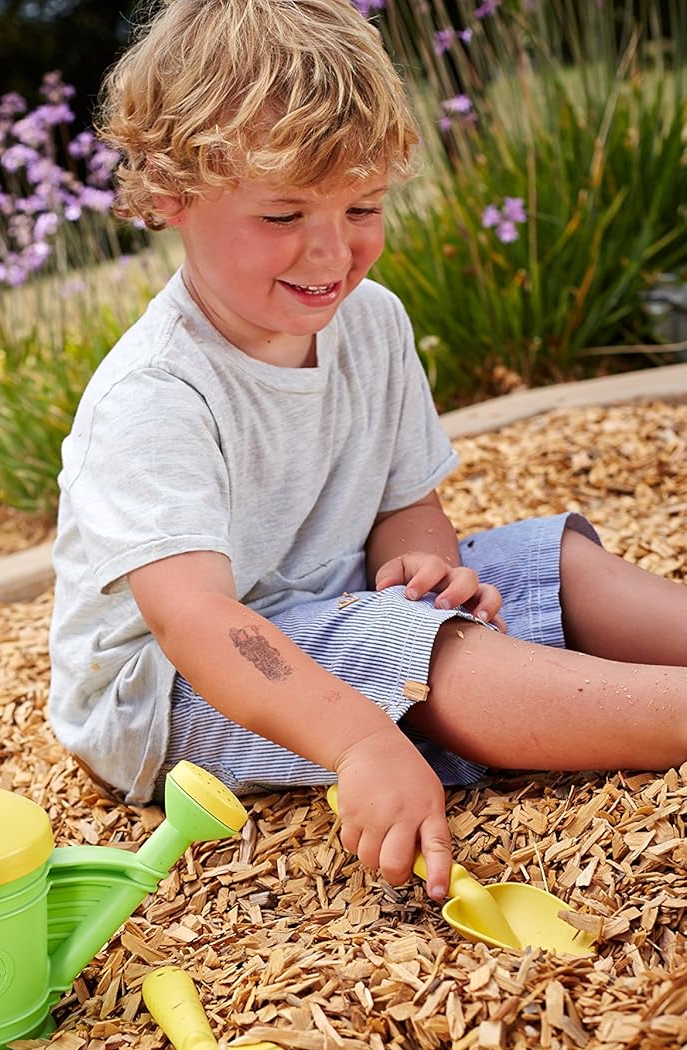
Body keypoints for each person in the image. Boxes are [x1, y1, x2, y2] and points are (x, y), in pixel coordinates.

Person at [48, 0, 687, 905]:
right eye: (281, 215)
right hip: (173, 692)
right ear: (170, 199)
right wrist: (358, 742)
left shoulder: (371, 322)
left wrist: (423, 565)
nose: (330, 248)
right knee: (415, 647)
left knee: (548, 561)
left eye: (362, 205)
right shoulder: (154, 395)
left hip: (333, 599)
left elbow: (403, 502)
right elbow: (195, 619)